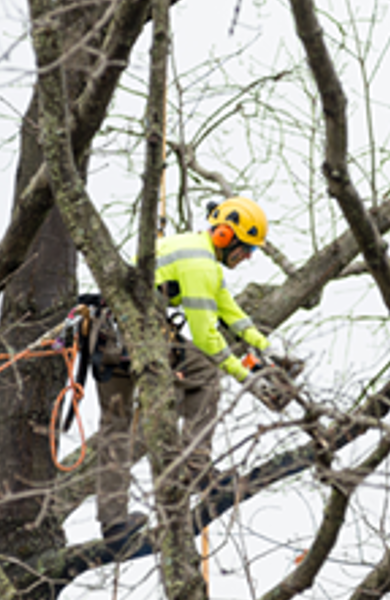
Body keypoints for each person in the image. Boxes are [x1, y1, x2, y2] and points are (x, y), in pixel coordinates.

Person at [93, 196, 280, 549]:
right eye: (246, 249)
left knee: (116, 427)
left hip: (106, 337)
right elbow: (207, 336)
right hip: (140, 334)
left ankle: (113, 522)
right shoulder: (199, 263)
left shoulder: (195, 252)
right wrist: (246, 376)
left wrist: (264, 346)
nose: (248, 257)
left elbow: (229, 309)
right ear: (226, 236)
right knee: (204, 371)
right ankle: (196, 468)